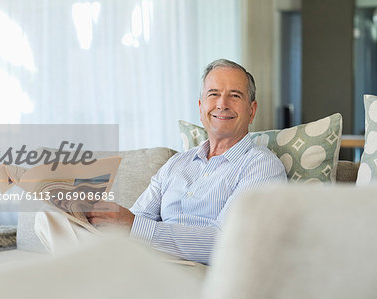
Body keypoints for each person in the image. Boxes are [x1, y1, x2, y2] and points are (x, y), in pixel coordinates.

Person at [85, 59, 287, 265]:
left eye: (234, 96)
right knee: (56, 223)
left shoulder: (262, 166)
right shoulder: (177, 163)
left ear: (252, 110)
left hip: (201, 273)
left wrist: (132, 225)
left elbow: (226, 243)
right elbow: (136, 218)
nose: (222, 104)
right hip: (148, 263)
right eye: (213, 94)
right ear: (201, 108)